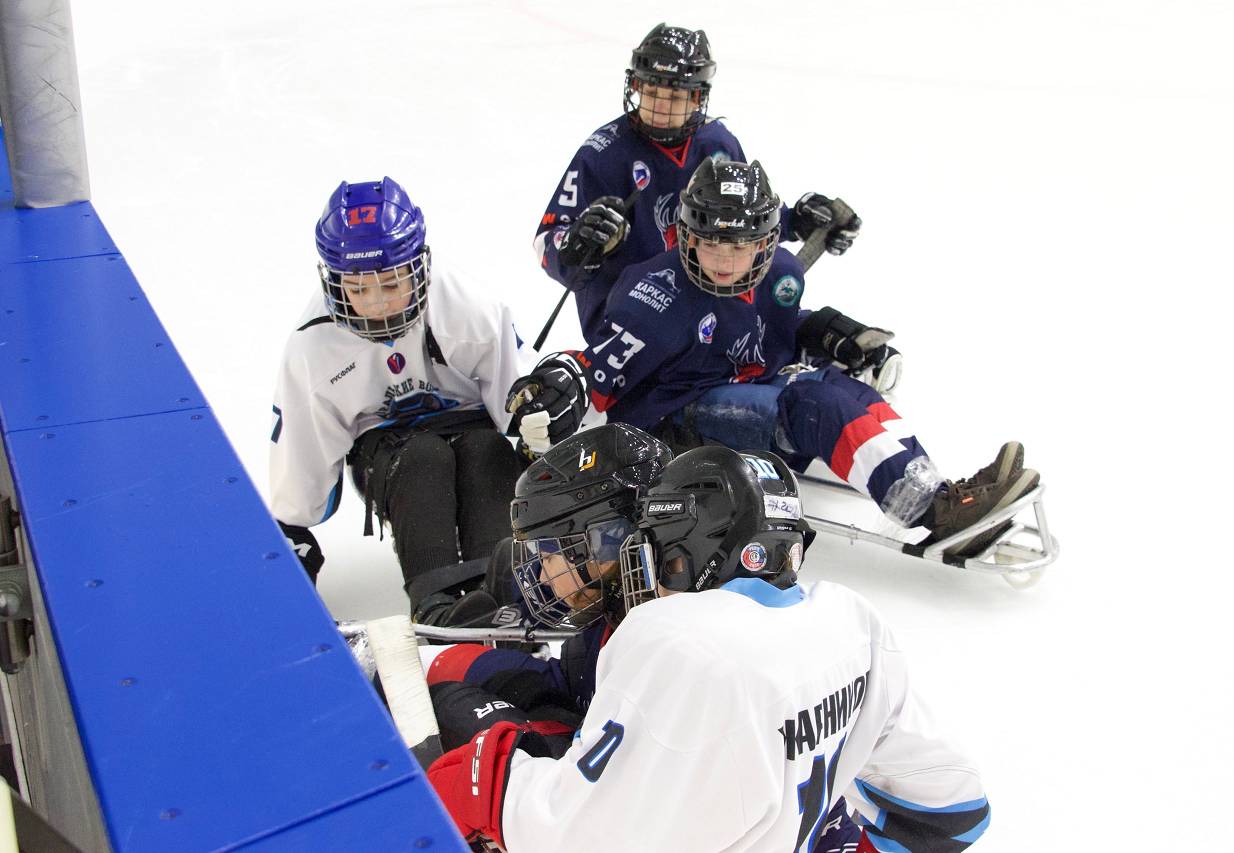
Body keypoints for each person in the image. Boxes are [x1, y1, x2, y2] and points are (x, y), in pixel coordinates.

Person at [427, 445, 991, 852]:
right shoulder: (855, 622)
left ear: (684, 556)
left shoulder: (681, 642)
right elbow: (954, 810)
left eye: (653, 551)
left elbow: (573, 835)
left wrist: (484, 781)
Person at [520, 157, 1040, 558]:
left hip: (744, 393)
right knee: (811, 403)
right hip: (678, 429)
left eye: (740, 245)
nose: (724, 259)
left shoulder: (782, 276)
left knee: (846, 388)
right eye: (710, 242)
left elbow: (769, 334)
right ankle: (934, 513)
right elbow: (597, 370)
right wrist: (559, 383)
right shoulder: (654, 297)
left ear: (767, 241)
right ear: (687, 237)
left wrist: (823, 333)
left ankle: (938, 491)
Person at [268, 176, 574, 622]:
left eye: (392, 284)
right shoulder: (312, 348)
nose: (378, 305)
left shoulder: (466, 308)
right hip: (388, 447)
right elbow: (301, 460)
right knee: (423, 458)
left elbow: (517, 401)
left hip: (470, 426)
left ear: (419, 267)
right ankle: (436, 601)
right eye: (359, 289)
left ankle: (509, 588)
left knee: (486, 449)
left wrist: (538, 415)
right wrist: (292, 533)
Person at [534, 22, 860, 341]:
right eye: (651, 92)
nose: (659, 108)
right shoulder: (602, 154)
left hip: (707, 304)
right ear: (634, 87)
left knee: (789, 326)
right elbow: (548, 241)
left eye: (675, 97)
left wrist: (796, 223)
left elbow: (739, 220)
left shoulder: (717, 144)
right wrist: (578, 244)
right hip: (629, 321)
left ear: (696, 98)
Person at [421, 423, 672, 757]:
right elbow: (561, 682)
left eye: (549, 557)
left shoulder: (660, 649)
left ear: (603, 545)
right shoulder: (608, 622)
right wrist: (431, 662)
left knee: (454, 709)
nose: (541, 576)